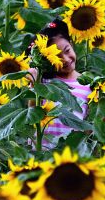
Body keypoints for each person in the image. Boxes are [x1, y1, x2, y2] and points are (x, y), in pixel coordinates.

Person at [28, 19, 92, 148]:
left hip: (70, 155)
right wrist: (34, 83)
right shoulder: (44, 82)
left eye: (67, 50)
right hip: (41, 153)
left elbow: (87, 127)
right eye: (57, 56)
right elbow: (31, 114)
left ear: (71, 44)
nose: (66, 59)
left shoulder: (88, 85)